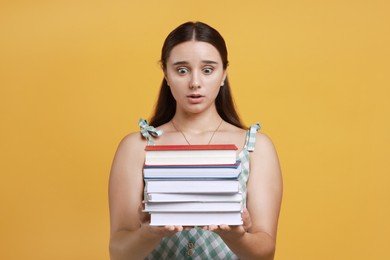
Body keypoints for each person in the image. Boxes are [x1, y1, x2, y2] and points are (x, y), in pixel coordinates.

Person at [109, 21, 283, 260]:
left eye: (208, 70)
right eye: (182, 70)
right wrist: (149, 233)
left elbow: (265, 253)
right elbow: (119, 253)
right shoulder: (136, 147)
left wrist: (237, 236)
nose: (195, 83)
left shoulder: (256, 147)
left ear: (224, 74)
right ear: (166, 75)